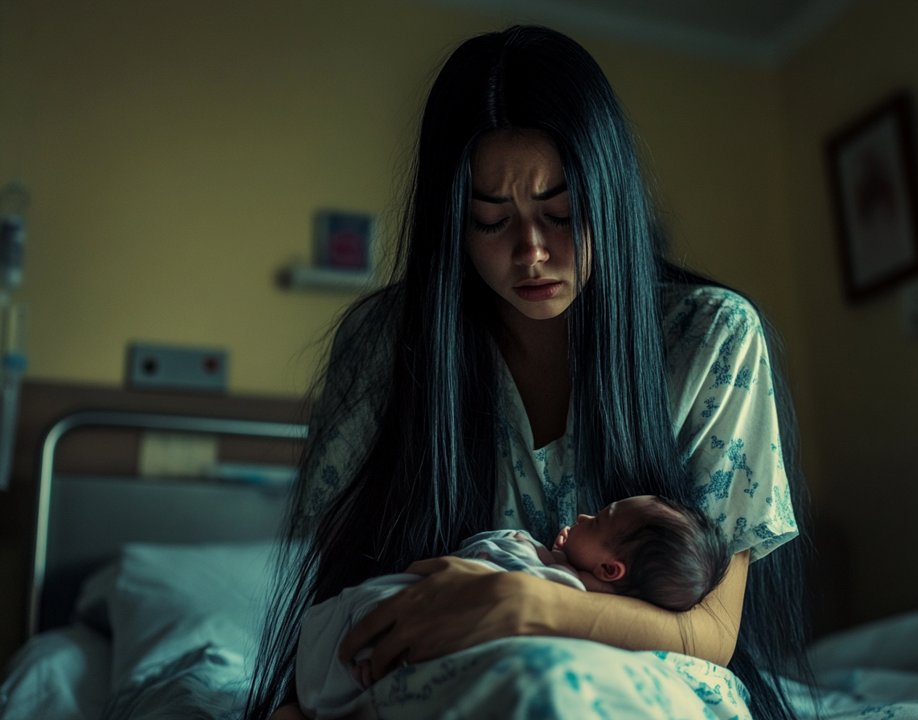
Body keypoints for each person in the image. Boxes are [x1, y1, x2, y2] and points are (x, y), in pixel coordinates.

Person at [248, 24, 813, 720]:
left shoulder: (711, 339)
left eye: (563, 212)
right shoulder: (382, 347)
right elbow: (346, 618)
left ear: (609, 198)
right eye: (490, 222)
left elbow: (710, 634)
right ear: (450, 227)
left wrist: (529, 604)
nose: (532, 252)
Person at [296, 495, 731, 718]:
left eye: (597, 521)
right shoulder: (553, 564)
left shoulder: (566, 591)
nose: (581, 517)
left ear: (610, 570)